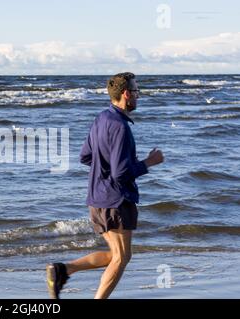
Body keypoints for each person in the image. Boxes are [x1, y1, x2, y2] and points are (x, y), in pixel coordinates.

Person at [46, 72, 164, 299]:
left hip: (97, 199)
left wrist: (104, 173)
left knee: (119, 255)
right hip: (116, 201)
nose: (139, 96)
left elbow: (86, 157)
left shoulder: (101, 119)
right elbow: (121, 173)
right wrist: (150, 162)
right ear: (127, 94)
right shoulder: (120, 127)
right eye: (137, 92)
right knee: (120, 258)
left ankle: (63, 269)